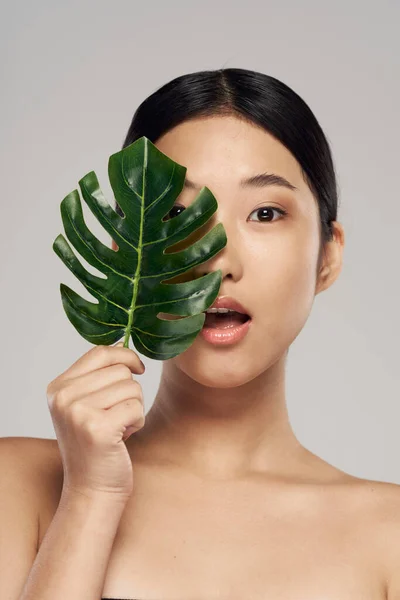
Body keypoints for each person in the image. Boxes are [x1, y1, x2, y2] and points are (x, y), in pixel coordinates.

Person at [1, 68, 399, 600]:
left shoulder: (387, 535)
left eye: (264, 212)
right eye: (176, 213)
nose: (218, 261)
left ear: (328, 256)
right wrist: (90, 495)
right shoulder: (18, 486)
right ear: (128, 250)